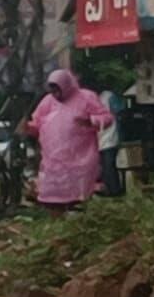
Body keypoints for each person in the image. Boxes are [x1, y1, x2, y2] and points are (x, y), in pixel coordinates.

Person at [28, 68, 114, 215]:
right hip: (54, 160)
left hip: (80, 157)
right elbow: (37, 121)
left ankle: (81, 217)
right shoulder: (48, 101)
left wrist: (91, 121)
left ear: (66, 86)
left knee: (78, 194)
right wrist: (27, 128)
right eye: (52, 91)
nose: (55, 94)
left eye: (57, 90)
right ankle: (57, 219)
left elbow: (106, 118)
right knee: (52, 196)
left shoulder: (86, 97)